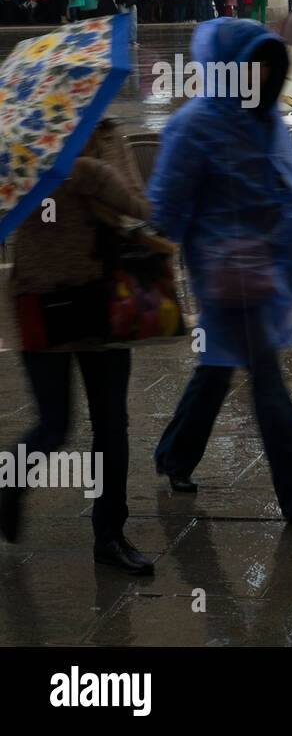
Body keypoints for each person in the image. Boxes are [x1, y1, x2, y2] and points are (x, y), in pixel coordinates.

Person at [150, 18, 292, 522]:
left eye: (266, 66)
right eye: (249, 65)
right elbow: (167, 206)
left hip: (269, 267)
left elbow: (287, 189)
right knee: (267, 381)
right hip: (223, 275)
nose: (258, 77)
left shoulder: (268, 121)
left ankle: (175, 454)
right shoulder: (192, 126)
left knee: (217, 368)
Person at [2, 119, 155, 573]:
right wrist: (59, 175)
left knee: (112, 424)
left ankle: (110, 535)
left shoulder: (110, 135)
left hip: (103, 301)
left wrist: (94, 176)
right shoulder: (24, 144)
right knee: (54, 425)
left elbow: (138, 206)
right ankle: (8, 488)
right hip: (41, 297)